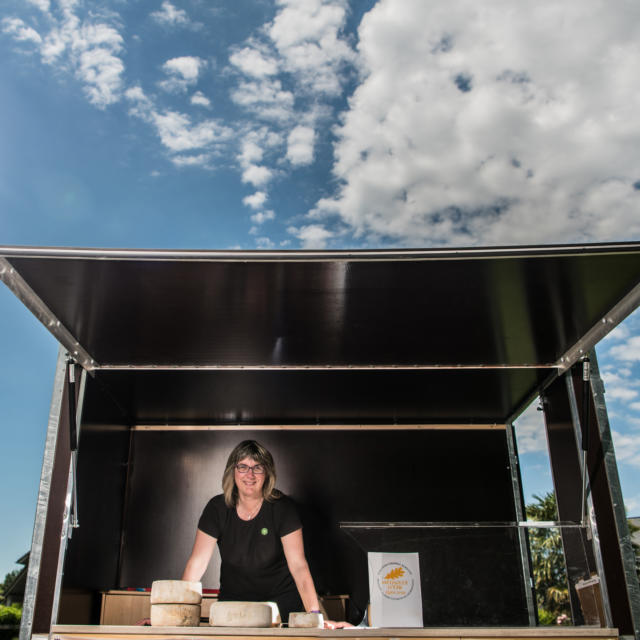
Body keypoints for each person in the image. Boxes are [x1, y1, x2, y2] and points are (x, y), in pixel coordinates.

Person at [182, 440, 350, 629]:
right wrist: (176, 613)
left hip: (282, 607)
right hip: (233, 610)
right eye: (243, 467)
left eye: (258, 468)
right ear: (233, 471)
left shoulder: (282, 507)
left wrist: (315, 615)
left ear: (267, 473)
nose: (250, 475)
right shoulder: (217, 508)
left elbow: (299, 566)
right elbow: (197, 564)